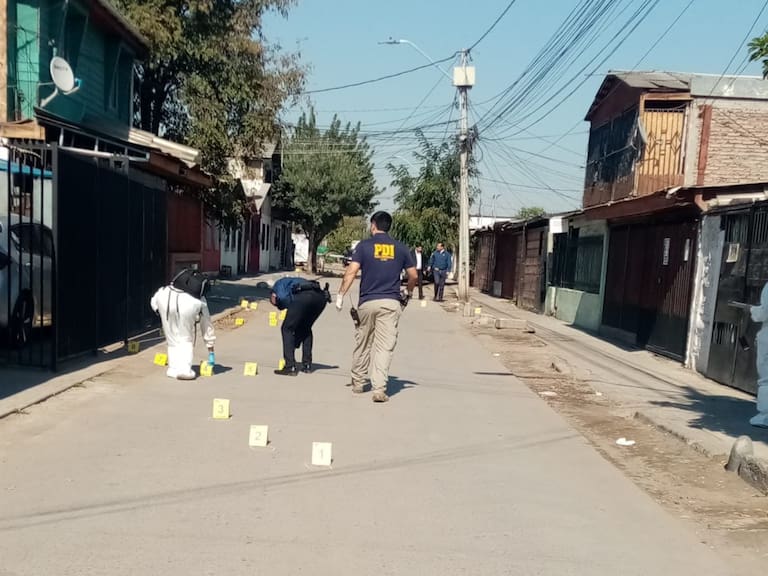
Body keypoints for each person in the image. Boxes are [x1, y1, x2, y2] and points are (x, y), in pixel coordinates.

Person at [336, 211, 417, 403]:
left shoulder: (364, 246)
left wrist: (340, 295)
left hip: (367, 302)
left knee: (363, 342)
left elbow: (351, 272)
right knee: (384, 347)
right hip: (391, 302)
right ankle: (379, 389)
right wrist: (408, 292)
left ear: (373, 225)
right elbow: (413, 275)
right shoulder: (401, 248)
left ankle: (358, 382)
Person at [150, 269, 216, 380]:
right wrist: (211, 350)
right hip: (189, 306)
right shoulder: (200, 299)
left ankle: (173, 369)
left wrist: (159, 311)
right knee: (185, 339)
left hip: (165, 299)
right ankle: (185, 370)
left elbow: (153, 301)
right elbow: (206, 324)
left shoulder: (165, 289)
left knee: (172, 340)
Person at [270, 277, 331, 376]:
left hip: (304, 297)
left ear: (273, 295)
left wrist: (294, 343)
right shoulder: (293, 282)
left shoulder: (278, 286)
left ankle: (290, 367)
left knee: (287, 329)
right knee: (305, 327)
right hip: (320, 298)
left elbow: (284, 299)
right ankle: (307, 365)